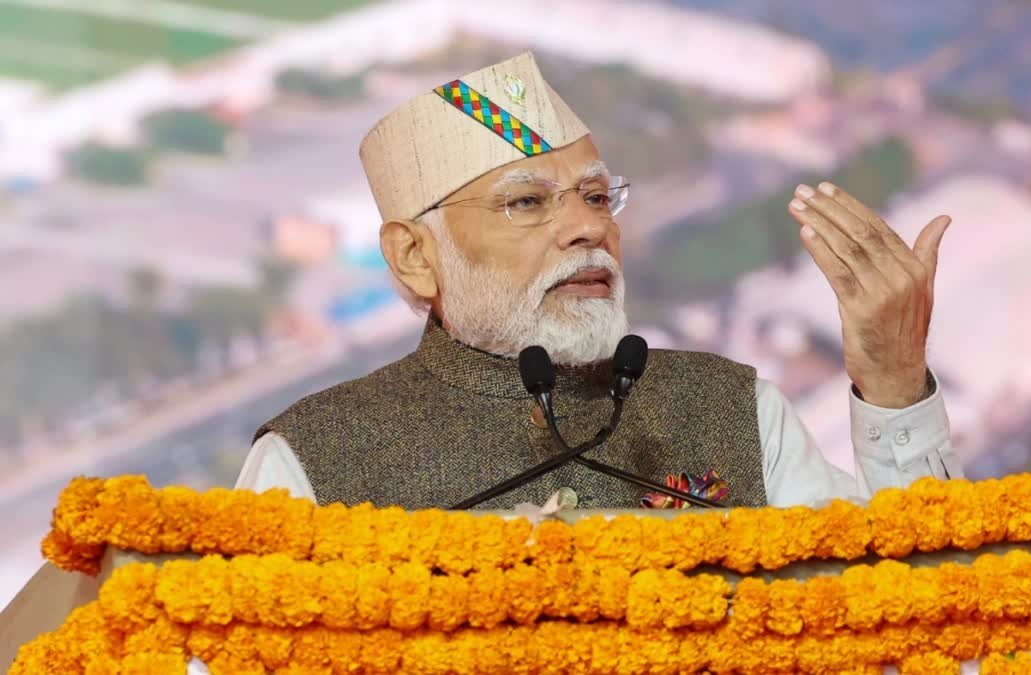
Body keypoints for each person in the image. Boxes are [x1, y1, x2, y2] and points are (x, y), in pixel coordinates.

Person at [236, 52, 963, 510]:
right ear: (414, 257)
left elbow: (915, 613)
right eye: (527, 202)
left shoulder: (733, 409)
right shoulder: (314, 463)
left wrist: (895, 386)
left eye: (594, 196)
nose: (587, 227)